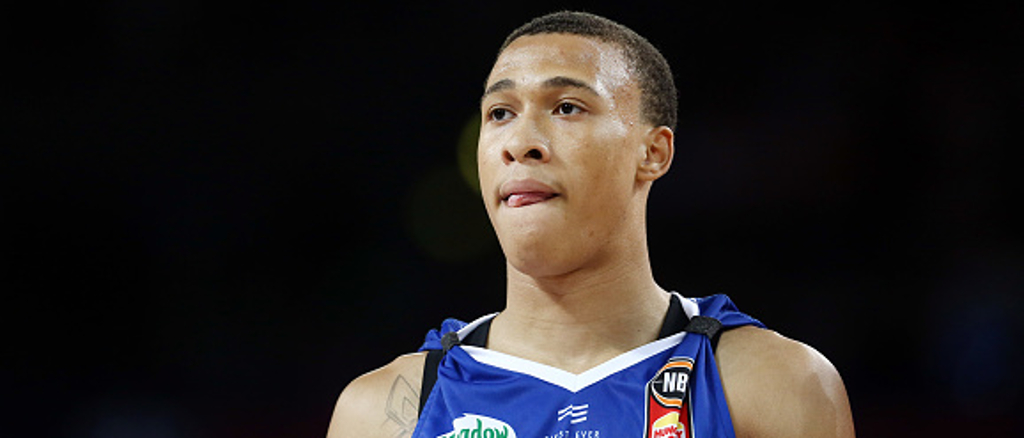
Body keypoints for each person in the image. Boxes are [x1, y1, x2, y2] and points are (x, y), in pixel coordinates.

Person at [327, 11, 855, 438]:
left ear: (653, 152)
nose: (520, 143)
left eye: (566, 107)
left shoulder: (774, 387)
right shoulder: (380, 414)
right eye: (500, 113)